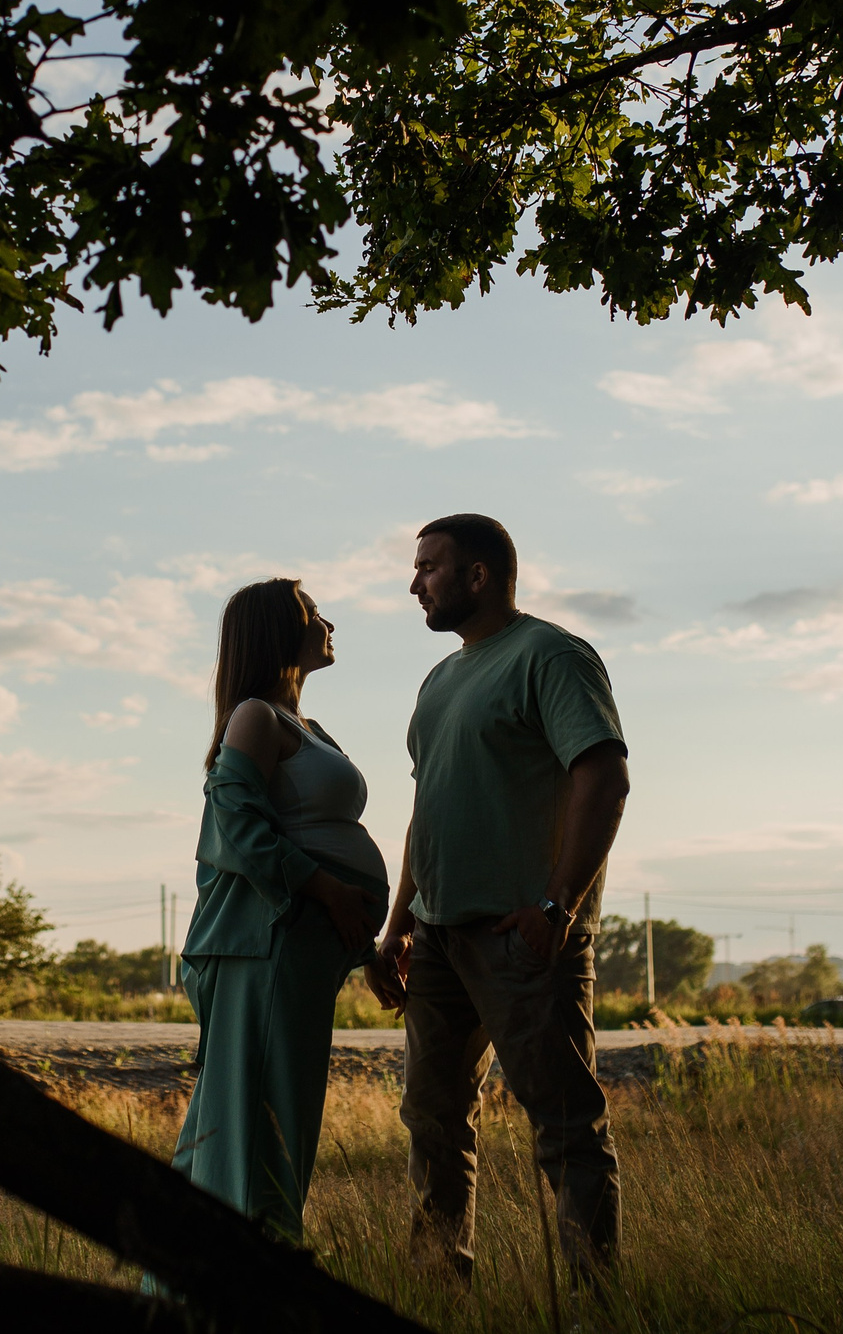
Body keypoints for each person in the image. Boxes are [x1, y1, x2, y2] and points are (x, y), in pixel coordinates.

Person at [366, 513, 632, 1282]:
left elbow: (603, 775)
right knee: (433, 1122)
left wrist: (558, 907)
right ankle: (436, 1292)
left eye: (428, 567)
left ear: (478, 576)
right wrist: (398, 925)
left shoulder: (550, 655)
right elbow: (431, 810)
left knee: (565, 1128)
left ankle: (593, 1307)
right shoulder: (440, 679)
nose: (414, 581)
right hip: (439, 941)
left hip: (524, 938)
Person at [171, 577, 388, 1241]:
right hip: (265, 952)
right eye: (314, 612)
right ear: (278, 631)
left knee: (283, 1122)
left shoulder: (307, 727)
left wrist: (366, 951)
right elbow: (236, 824)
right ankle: (250, 1278)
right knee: (261, 1129)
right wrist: (326, 890)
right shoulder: (254, 716)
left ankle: (241, 1276)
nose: (329, 622)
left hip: (299, 954)